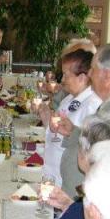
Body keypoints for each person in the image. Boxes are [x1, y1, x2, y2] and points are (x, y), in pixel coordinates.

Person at [52, 43, 110, 151]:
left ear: (106, 76)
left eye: (93, 69)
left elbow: (102, 157)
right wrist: (73, 131)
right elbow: (98, 141)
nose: (89, 74)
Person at [38, 49, 101, 188]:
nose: (62, 80)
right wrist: (46, 118)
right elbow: (58, 132)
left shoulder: (92, 106)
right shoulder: (69, 98)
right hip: (52, 172)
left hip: (66, 179)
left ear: (82, 78)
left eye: (66, 75)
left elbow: (87, 146)